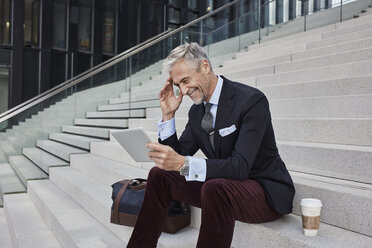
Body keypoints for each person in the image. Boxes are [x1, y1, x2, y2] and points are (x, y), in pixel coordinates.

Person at [127, 42, 295, 248]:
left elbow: (240, 167)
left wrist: (184, 163)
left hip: (263, 190)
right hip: (221, 186)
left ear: (205, 66)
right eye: (178, 84)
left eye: (186, 80)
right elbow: (178, 157)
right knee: (159, 175)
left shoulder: (251, 100)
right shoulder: (197, 112)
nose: (184, 91)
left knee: (216, 188)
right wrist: (168, 115)